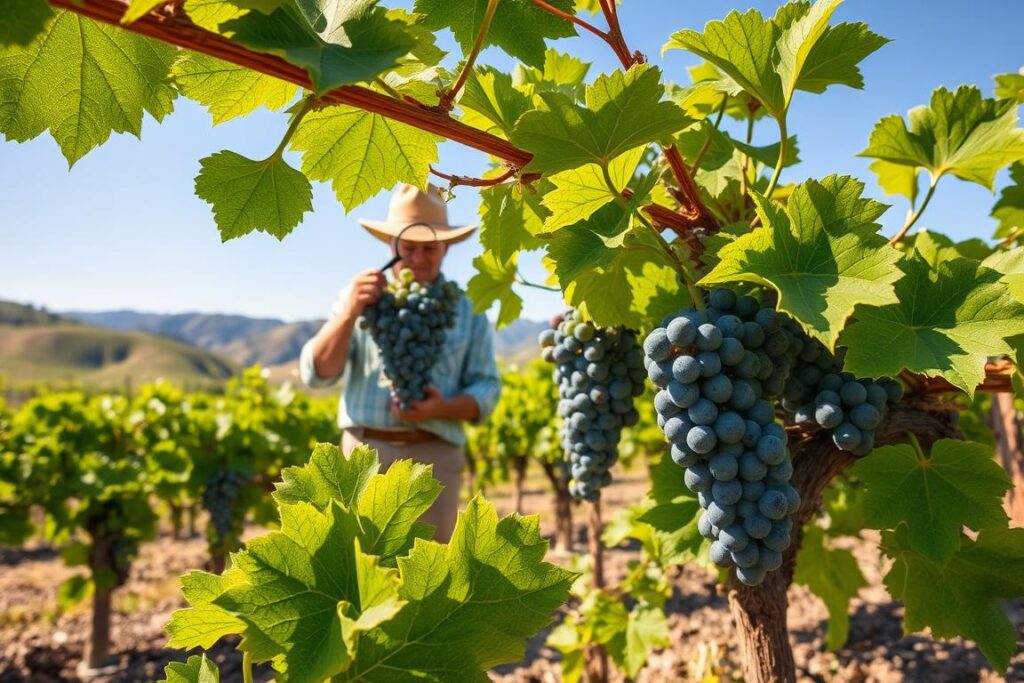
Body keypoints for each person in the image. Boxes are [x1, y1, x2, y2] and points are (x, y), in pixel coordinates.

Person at [299, 183, 501, 542]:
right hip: (363, 456)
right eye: (409, 248)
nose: (420, 258)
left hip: (435, 456)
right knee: (361, 574)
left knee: (428, 575)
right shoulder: (358, 298)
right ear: (391, 246)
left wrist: (442, 407)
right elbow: (318, 374)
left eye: (430, 248)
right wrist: (348, 314)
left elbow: (487, 386)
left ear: (446, 246)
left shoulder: (468, 308)